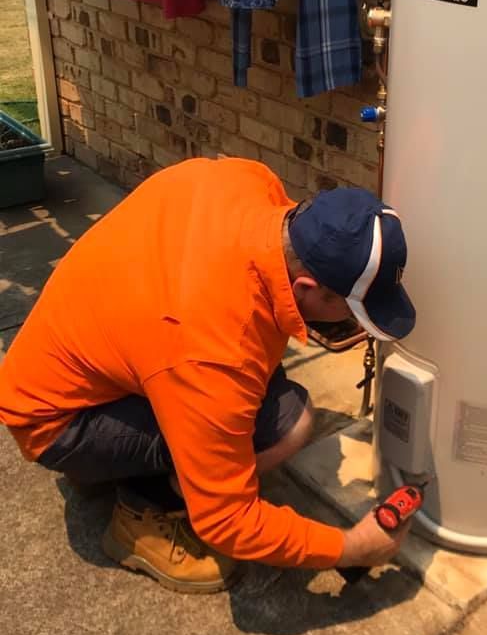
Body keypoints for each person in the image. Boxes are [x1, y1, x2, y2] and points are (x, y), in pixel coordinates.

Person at [0, 157, 416, 593]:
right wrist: (352, 547)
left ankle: (111, 467)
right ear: (306, 288)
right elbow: (228, 521)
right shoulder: (215, 353)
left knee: (257, 391)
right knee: (288, 422)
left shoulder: (249, 182)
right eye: (351, 312)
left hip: (76, 358)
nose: (350, 324)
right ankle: (144, 512)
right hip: (56, 423)